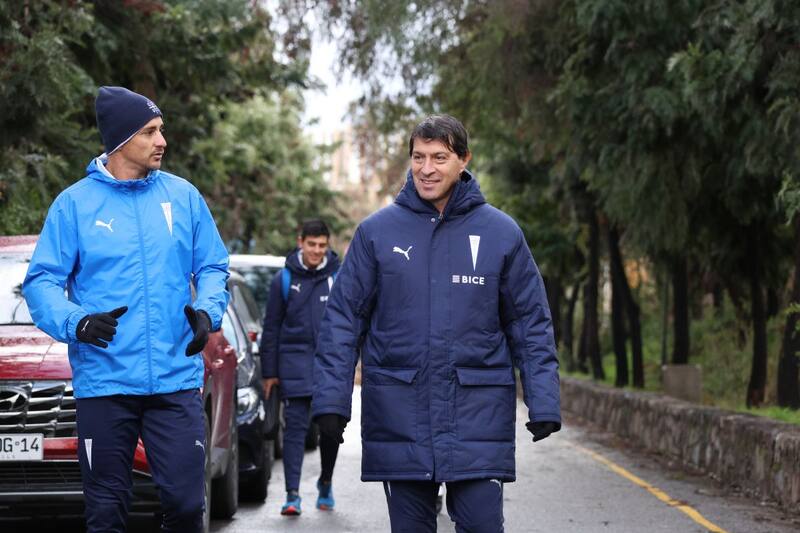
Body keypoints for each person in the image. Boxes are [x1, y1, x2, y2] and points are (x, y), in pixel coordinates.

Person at [311, 114, 561, 532]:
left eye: (439, 157)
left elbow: (529, 322)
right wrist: (331, 402)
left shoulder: (501, 233)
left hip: (477, 416)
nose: (427, 169)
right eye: (418, 157)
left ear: (464, 160)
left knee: (483, 526)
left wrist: (544, 399)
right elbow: (342, 321)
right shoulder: (377, 233)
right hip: (399, 413)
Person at [23, 86, 230, 533]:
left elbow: (213, 264)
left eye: (162, 130)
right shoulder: (74, 205)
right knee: (106, 513)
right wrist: (75, 320)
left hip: (174, 381)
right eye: (151, 132)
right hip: (105, 383)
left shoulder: (183, 197)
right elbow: (42, 282)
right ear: (120, 140)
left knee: (186, 504)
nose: (162, 141)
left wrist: (207, 311)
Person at [259, 219, 341, 515]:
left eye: (322, 246)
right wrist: (269, 372)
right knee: (295, 429)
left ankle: (326, 480)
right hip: (293, 364)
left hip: (330, 366)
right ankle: (292, 495)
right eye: (312, 245)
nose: (317, 251)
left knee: (331, 429)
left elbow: (350, 321)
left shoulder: (339, 277)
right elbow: (272, 328)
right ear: (300, 242)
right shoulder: (283, 279)